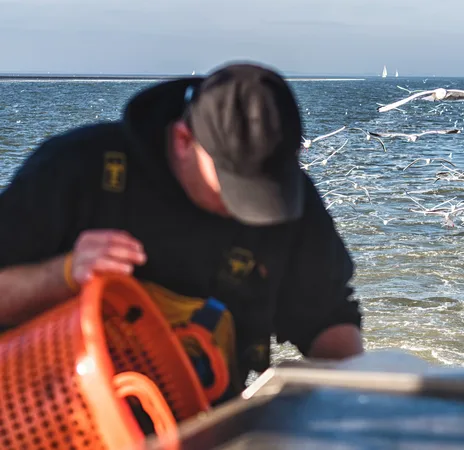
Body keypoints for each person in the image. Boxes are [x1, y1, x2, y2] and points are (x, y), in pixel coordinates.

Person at [0, 62, 364, 403]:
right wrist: (65, 273)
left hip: (207, 420)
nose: (251, 208)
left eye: (268, 187)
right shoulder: (76, 168)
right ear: (182, 140)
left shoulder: (288, 197)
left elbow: (328, 319)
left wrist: (362, 401)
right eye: (234, 186)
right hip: (57, 410)